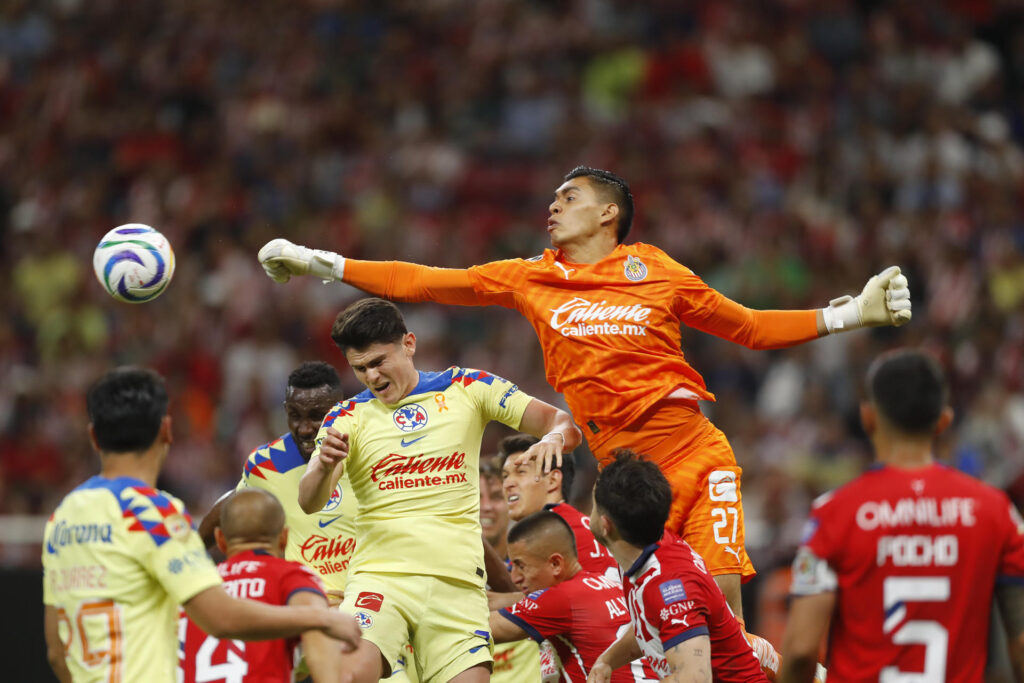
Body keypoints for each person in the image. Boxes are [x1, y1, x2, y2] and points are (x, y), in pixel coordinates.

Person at [256, 165, 913, 646]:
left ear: (608, 213)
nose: (552, 206)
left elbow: (747, 326)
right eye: (551, 198)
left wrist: (851, 312)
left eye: (568, 197)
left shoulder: (656, 268)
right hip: (621, 475)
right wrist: (323, 262)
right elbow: (430, 281)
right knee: (655, 632)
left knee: (727, 628)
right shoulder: (532, 277)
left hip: (691, 447)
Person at [298, 298, 583, 683]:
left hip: (458, 586)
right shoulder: (348, 415)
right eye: (360, 368)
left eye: (380, 361)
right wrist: (324, 465)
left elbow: (562, 421)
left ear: (409, 344)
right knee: (346, 675)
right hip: (382, 582)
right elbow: (309, 500)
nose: (372, 376)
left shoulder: (467, 387)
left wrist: (551, 438)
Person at [42, 367, 360, 683]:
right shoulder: (152, 514)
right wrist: (318, 617)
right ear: (166, 430)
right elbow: (221, 617)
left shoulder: (62, 519)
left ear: (93, 437)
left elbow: (57, 652)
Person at [778, 350, 1024, 683]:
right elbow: (1020, 642)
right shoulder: (996, 511)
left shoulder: (834, 513)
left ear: (868, 418)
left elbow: (801, 651)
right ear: (944, 421)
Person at [197, 361, 417, 682]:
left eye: (317, 416)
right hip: (299, 617)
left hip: (368, 613)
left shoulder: (377, 457)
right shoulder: (264, 465)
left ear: (341, 410)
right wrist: (191, 552)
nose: (303, 428)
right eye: (295, 415)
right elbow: (231, 505)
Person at [588, 451, 767, 683]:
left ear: (605, 525)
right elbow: (651, 624)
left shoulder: (671, 588)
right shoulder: (647, 550)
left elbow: (694, 679)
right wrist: (607, 661)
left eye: (593, 504)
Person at [180, 488, 344, 683]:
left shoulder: (196, 591)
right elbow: (319, 651)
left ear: (220, 540)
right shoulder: (293, 577)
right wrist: (329, 619)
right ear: (284, 538)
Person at [490, 510, 657, 683]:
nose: (515, 577)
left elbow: (480, 629)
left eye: (521, 566)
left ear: (555, 564)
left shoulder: (559, 599)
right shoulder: (605, 585)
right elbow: (509, 600)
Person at [500, 434, 618, 584]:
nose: (508, 483)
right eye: (505, 476)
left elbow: (541, 600)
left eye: (521, 472)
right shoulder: (576, 524)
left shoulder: (553, 536)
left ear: (552, 480)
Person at [481, 457, 545, 683]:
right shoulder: (449, 571)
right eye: (477, 497)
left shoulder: (535, 571)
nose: (486, 506)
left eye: (497, 497)